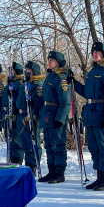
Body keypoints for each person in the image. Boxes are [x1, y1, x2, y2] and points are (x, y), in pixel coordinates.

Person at [69, 42, 104, 191]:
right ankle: (99, 176)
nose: (95, 54)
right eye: (93, 52)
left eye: (98, 52)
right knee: (93, 147)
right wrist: (74, 83)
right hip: (91, 114)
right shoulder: (92, 71)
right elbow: (87, 93)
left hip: (102, 114)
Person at [38, 51, 70, 184]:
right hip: (47, 115)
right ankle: (51, 170)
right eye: (49, 59)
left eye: (53, 60)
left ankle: (59, 172)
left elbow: (65, 101)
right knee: (49, 145)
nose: (50, 61)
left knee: (58, 145)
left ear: (59, 62)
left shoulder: (60, 78)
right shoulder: (49, 77)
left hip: (56, 114)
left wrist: (60, 118)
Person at [17, 60, 44, 177]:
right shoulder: (25, 84)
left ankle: (33, 165)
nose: (27, 73)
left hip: (32, 116)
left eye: (30, 71)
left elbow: (40, 101)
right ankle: (27, 164)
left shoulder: (37, 85)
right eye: (26, 71)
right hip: (22, 116)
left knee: (33, 141)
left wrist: (34, 103)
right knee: (25, 142)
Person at [1, 62, 25, 165]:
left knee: (17, 140)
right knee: (9, 139)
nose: (10, 72)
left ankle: (18, 160)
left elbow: (20, 99)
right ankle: (11, 159)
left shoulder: (19, 84)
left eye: (12, 70)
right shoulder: (10, 84)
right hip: (7, 113)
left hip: (15, 113)